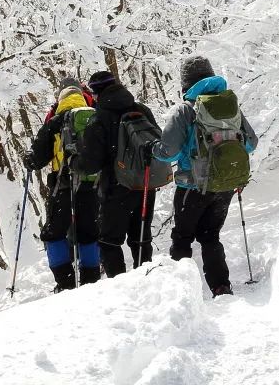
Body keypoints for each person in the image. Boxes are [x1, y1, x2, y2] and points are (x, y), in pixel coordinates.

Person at [157, 55, 258, 297]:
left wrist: (153, 149)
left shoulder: (184, 110)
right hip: (225, 185)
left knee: (182, 238)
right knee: (210, 236)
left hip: (192, 188)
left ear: (185, 83)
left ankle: (182, 294)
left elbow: (167, 152)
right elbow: (251, 142)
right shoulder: (229, 105)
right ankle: (221, 286)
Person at [74, 70, 159, 278]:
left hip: (117, 187)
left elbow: (90, 164)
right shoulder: (142, 110)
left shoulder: (99, 118)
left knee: (109, 242)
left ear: (96, 93)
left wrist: (74, 162)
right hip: (145, 183)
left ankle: (120, 290)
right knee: (141, 239)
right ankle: (147, 284)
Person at [23, 85, 101, 291]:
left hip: (63, 186)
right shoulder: (95, 117)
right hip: (92, 185)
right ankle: (91, 282)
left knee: (53, 233)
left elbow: (37, 158)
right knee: (89, 233)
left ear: (61, 100)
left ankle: (65, 283)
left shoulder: (55, 121)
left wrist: (29, 159)